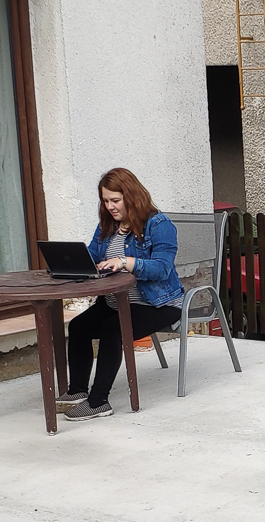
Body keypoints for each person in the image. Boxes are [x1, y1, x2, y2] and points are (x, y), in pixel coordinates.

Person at [60, 167, 184, 421]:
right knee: (78, 326)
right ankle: (77, 391)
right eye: (105, 201)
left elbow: (162, 269)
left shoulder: (159, 225)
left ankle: (98, 402)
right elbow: (93, 255)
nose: (110, 207)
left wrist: (125, 262)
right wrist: (74, 262)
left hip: (157, 304)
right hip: (115, 302)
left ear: (132, 196)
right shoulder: (107, 226)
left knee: (113, 330)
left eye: (115, 200)